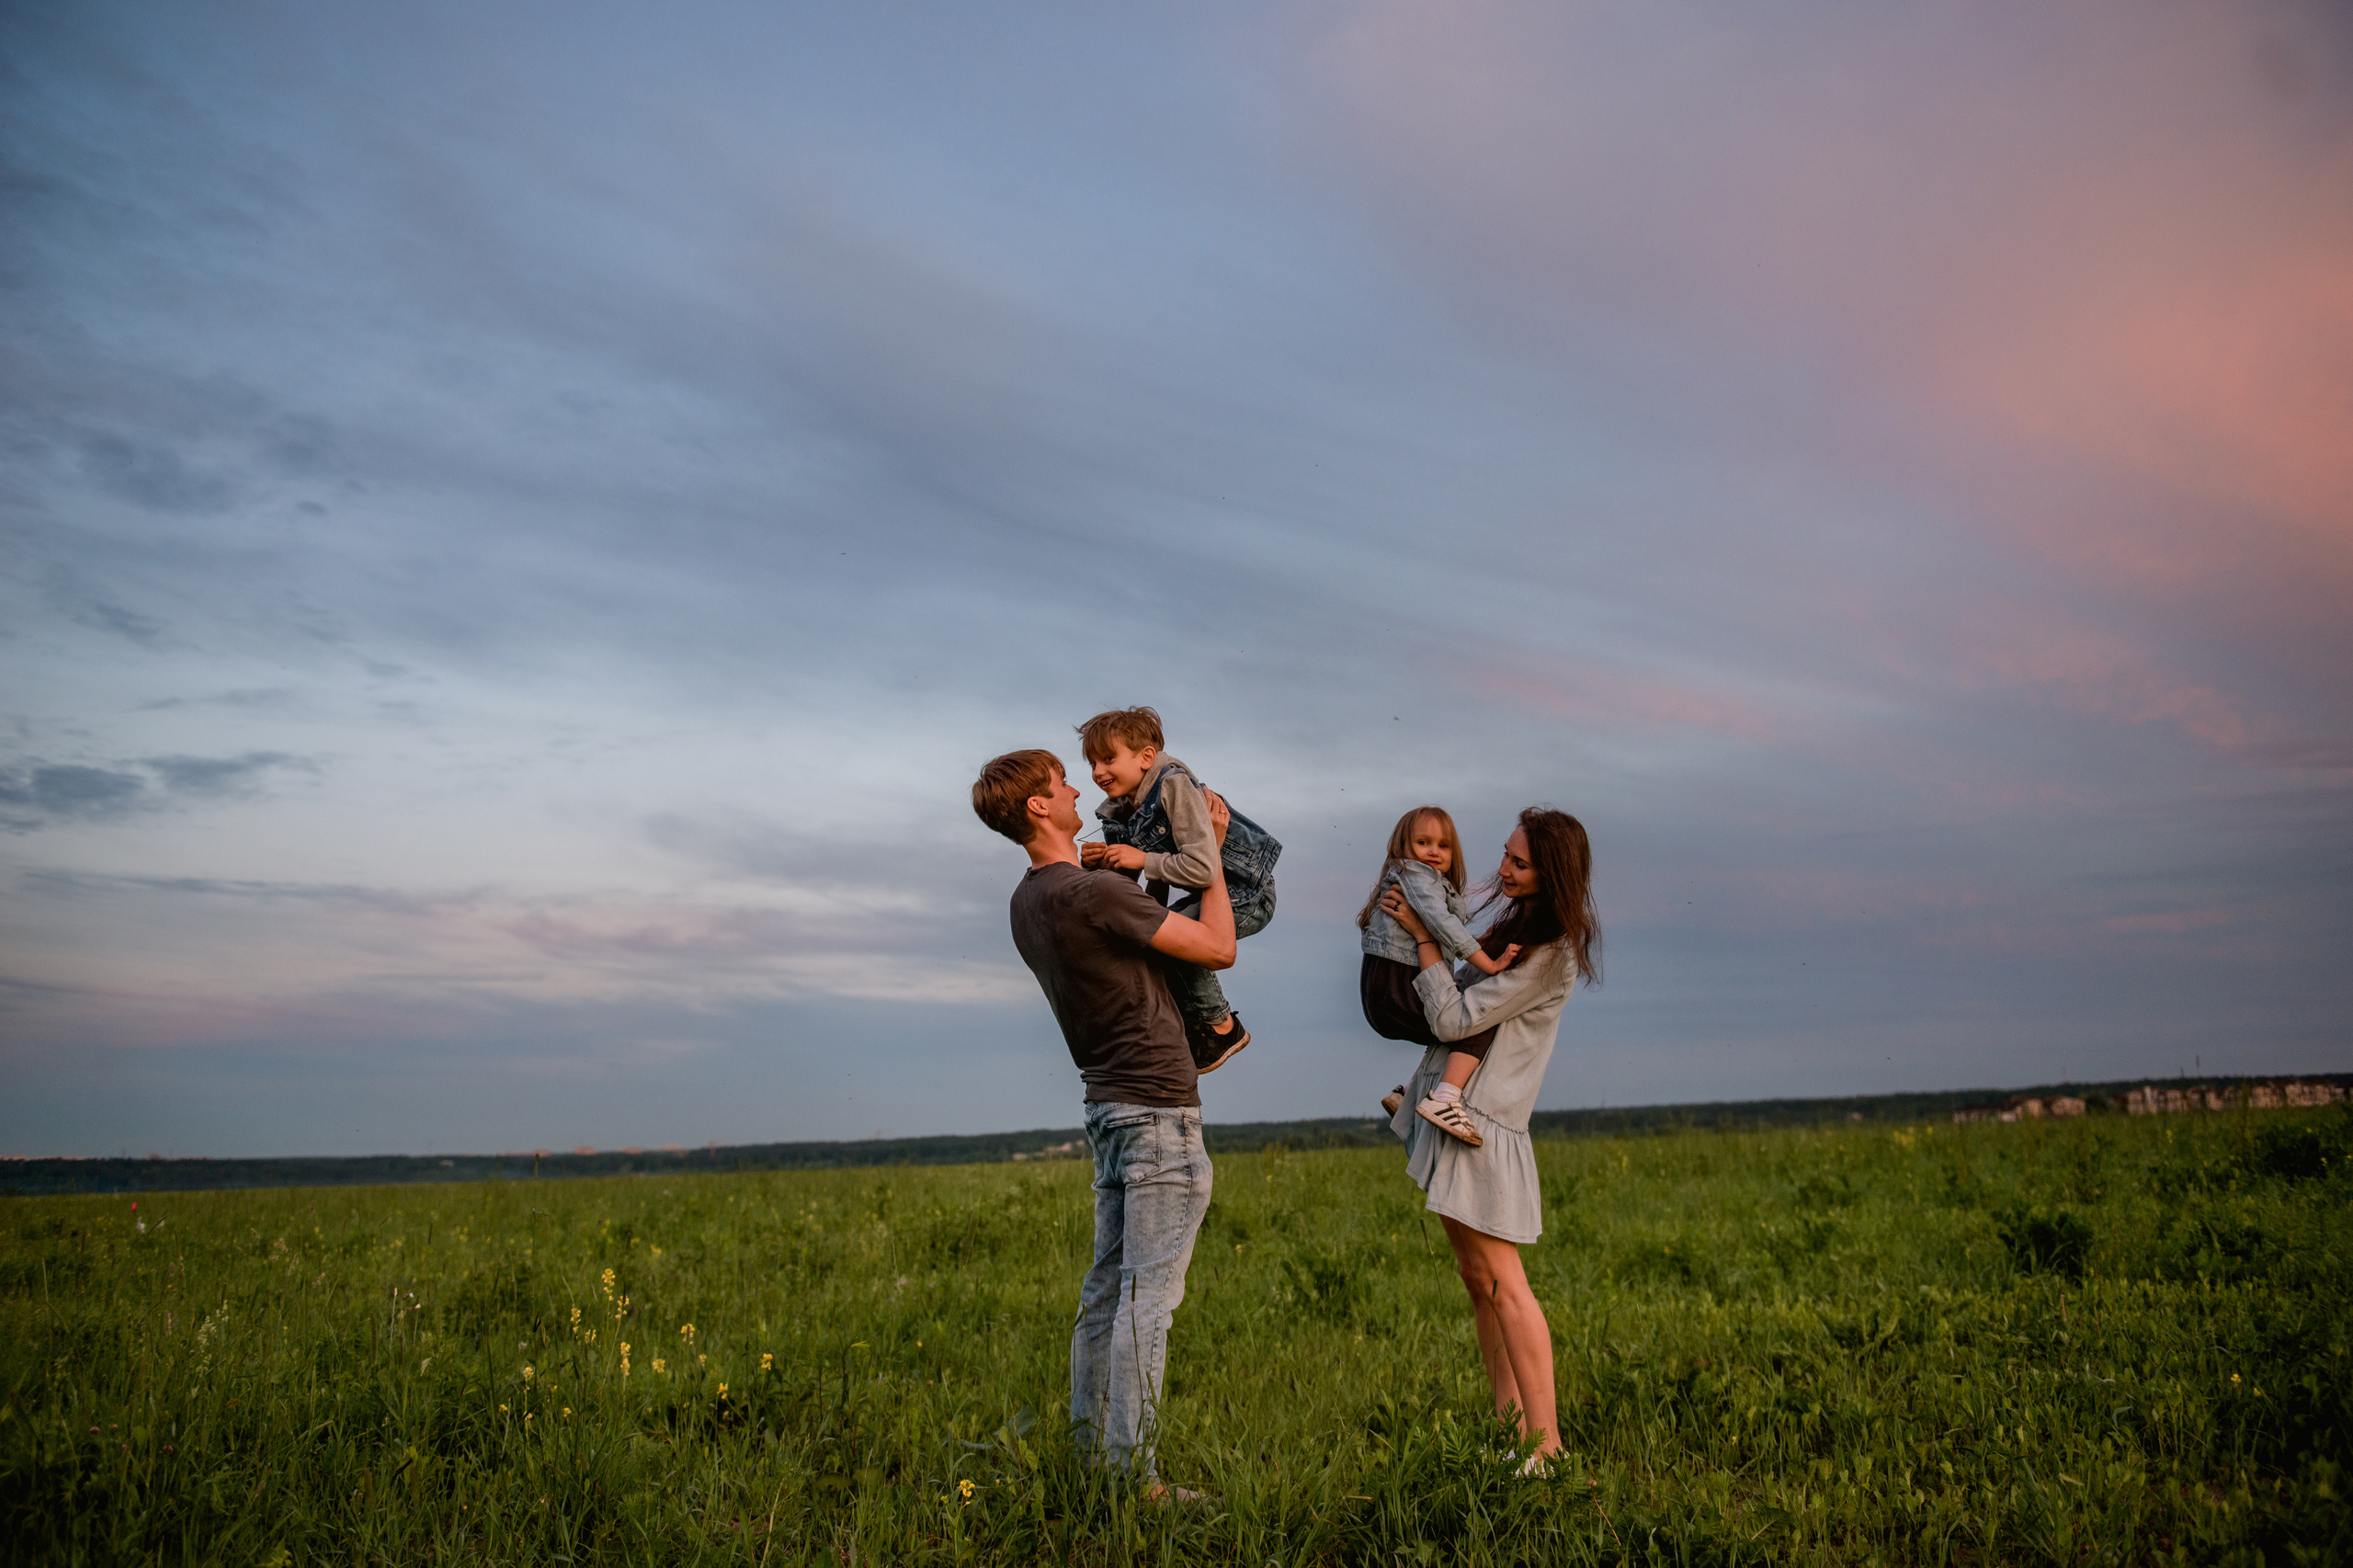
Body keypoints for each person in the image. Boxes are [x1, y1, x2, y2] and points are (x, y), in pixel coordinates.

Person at [972, 746, 1235, 1497]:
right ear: (1037, 806)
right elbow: (1218, 948)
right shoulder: (1093, 893)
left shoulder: (1030, 901)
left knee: (1105, 1295)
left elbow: (1125, 928)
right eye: (1061, 784)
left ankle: (1094, 1463)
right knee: (1146, 1305)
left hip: (1107, 1108)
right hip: (1157, 1112)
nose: (1076, 792)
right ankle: (1135, 1481)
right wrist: (1208, 856)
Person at [1381, 807, 1601, 1470]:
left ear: (1553, 874)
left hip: (1481, 1123)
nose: (1503, 869)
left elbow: (1454, 1021)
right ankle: (1513, 1436)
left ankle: (1547, 1448)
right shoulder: (1512, 930)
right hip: (1449, 1115)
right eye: (1506, 854)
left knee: (1504, 1281)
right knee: (1478, 1280)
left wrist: (1423, 937)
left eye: (1520, 863)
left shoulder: (1551, 954)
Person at [1075, 706, 1280, 1074]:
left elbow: (1203, 867)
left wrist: (1142, 859)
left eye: (1108, 759)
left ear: (1146, 757)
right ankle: (1183, 1021)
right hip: (1206, 893)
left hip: (1247, 892)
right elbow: (1131, 896)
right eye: (1092, 763)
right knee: (1151, 939)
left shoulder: (1173, 786)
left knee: (1176, 941)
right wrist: (1103, 864)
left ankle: (1220, 1026)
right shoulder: (1117, 810)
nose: (1098, 772)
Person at [1356, 805, 1521, 1143]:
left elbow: (1441, 929)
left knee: (1447, 1027)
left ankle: (1407, 1095)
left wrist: (1478, 943)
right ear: (1403, 846)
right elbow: (1442, 925)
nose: (1434, 851)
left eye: (1443, 846)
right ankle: (1446, 1097)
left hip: (1383, 990)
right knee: (1475, 1020)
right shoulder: (1417, 876)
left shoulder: (1418, 880)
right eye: (1423, 842)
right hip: (1397, 987)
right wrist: (1489, 964)